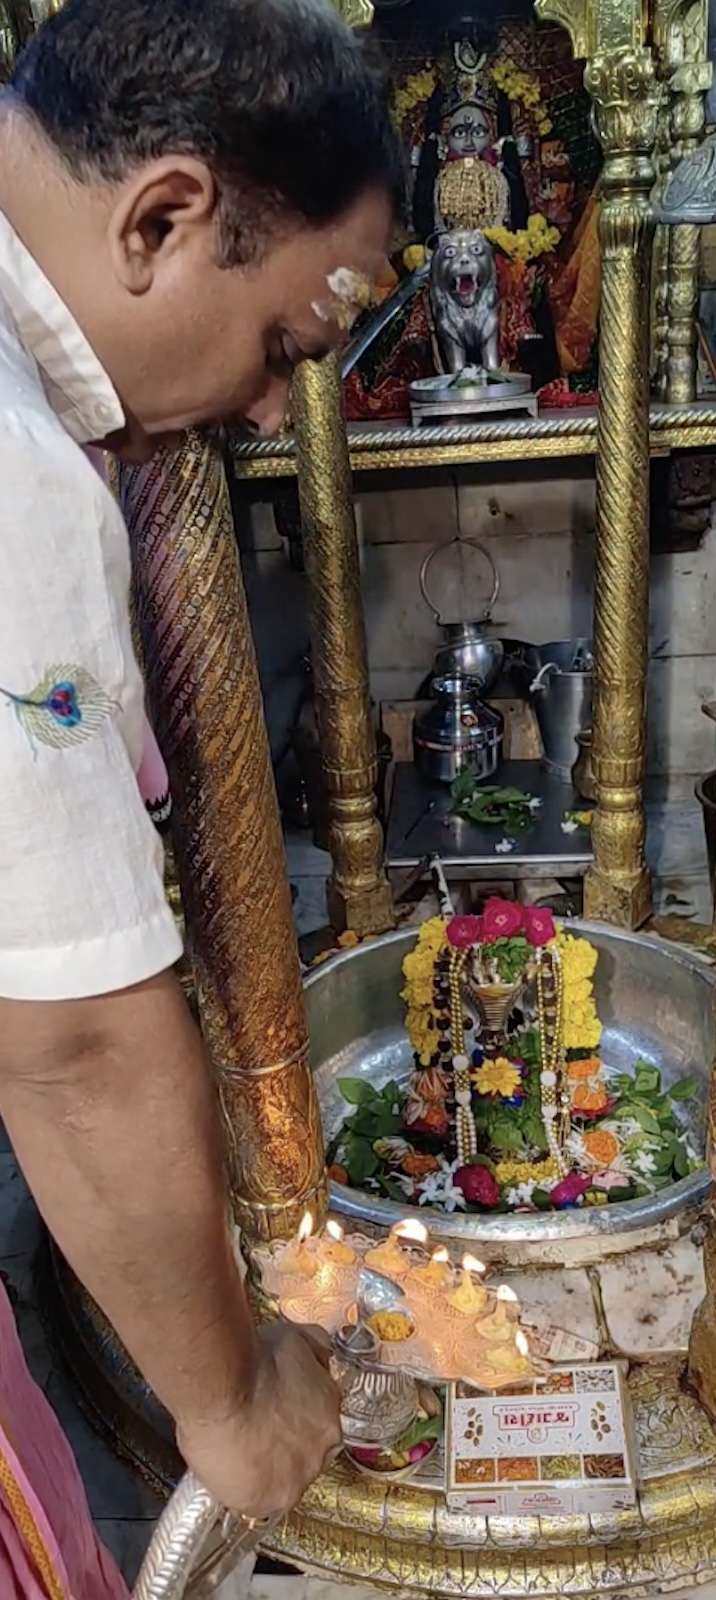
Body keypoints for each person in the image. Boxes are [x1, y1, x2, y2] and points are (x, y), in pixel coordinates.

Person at [0, 0, 402, 1591]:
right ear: (164, 219)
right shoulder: (17, 475)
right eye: (288, 346)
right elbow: (79, 1045)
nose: (258, 410)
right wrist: (235, 1402)